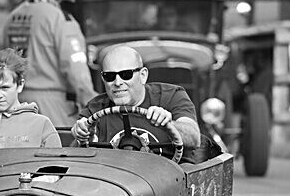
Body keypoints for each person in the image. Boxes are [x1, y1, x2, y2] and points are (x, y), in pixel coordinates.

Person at [3, 0, 96, 128]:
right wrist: (93, 105)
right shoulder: (60, 19)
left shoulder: (13, 17)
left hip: (15, 103)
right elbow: (76, 71)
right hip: (53, 109)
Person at [71, 45, 202, 161]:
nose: (117, 83)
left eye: (126, 74)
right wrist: (84, 137)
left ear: (143, 75)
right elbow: (77, 160)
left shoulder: (171, 96)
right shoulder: (95, 108)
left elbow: (194, 138)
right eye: (109, 76)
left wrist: (168, 125)